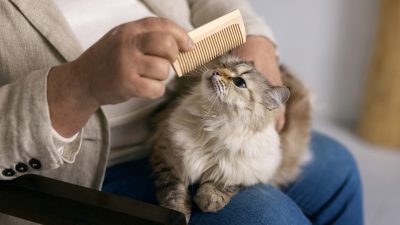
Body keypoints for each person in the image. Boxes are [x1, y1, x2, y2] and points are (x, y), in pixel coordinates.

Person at [0, 0, 363, 224]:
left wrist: (255, 37)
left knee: (339, 170)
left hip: (201, 113)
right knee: (267, 217)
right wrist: (78, 85)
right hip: (87, 172)